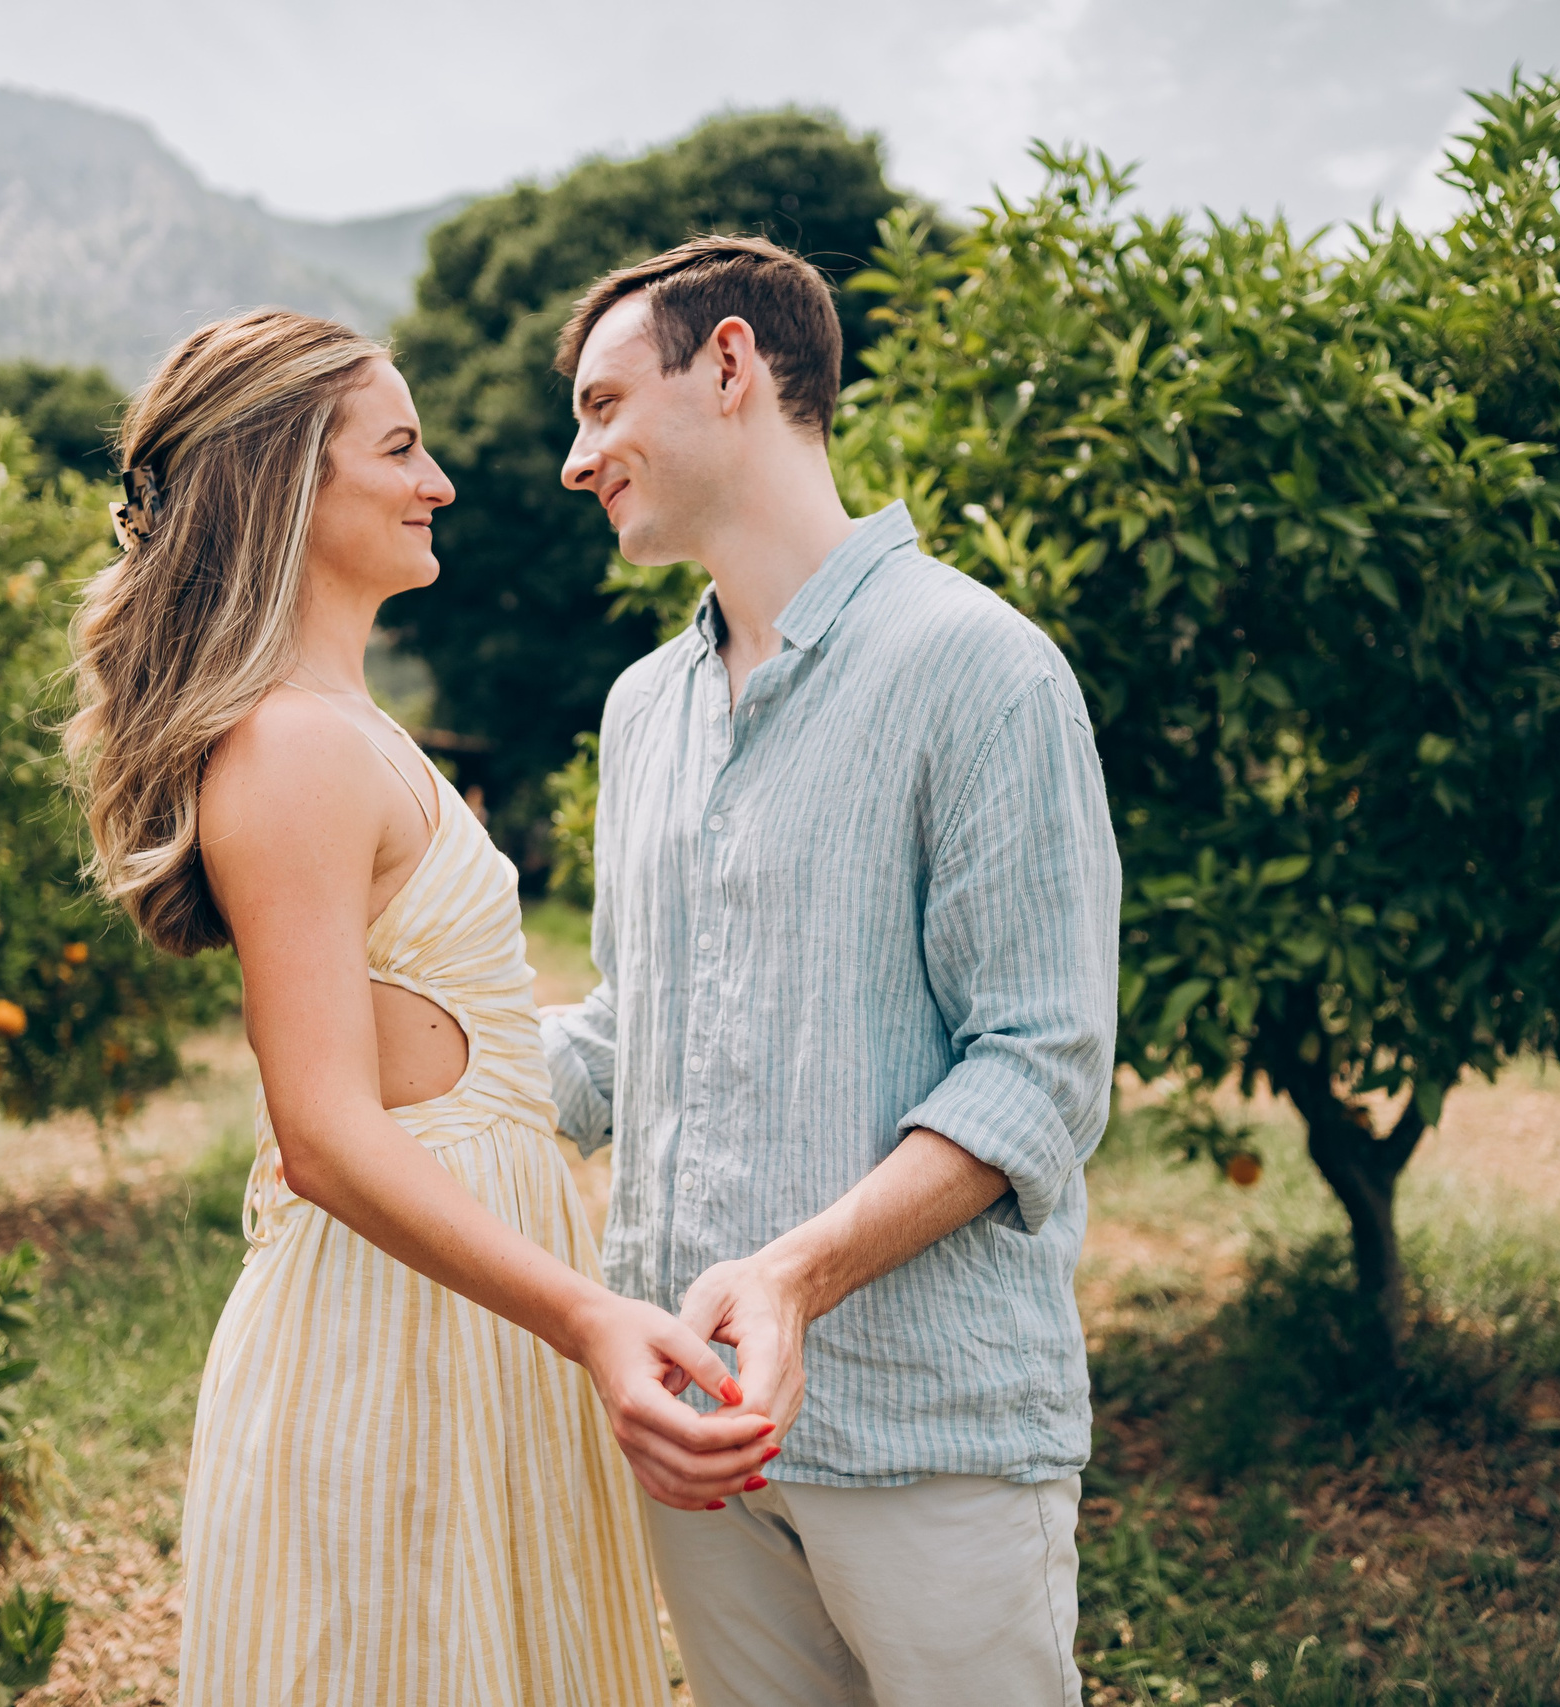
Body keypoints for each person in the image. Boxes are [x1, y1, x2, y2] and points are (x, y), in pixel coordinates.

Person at [65, 309, 776, 1706]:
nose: (438, 479)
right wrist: (587, 1316)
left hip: (460, 1312)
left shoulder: (347, 727)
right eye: (399, 448)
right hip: (389, 1334)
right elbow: (324, 1133)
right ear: (286, 486)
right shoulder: (287, 747)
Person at [543, 236, 1122, 1707]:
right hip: (703, 1439)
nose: (576, 458)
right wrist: (375, 1069)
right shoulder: (639, 712)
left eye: (606, 407)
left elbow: (1041, 1067)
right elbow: (625, 1031)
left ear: (730, 365)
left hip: (929, 1433)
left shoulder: (982, 669)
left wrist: (797, 1276)